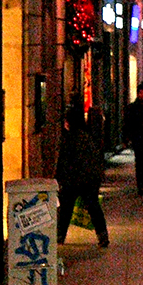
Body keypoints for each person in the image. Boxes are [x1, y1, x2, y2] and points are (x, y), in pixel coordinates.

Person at [56, 105, 109, 247]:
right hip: (89, 180)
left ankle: (60, 235)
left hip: (73, 180)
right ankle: (102, 235)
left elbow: (65, 161)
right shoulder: (86, 137)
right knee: (93, 207)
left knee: (66, 209)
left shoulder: (69, 139)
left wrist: (60, 178)